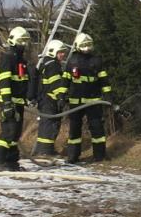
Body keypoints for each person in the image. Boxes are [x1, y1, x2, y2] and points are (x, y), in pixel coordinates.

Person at [64, 31, 112, 164]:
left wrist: (108, 95)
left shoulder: (97, 60)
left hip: (93, 101)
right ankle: (72, 157)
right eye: (84, 45)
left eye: (89, 45)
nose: (87, 48)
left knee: (97, 130)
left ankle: (100, 156)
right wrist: (62, 95)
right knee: (74, 130)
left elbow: (104, 79)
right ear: (77, 46)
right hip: (76, 101)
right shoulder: (72, 61)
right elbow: (65, 80)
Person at [0, 26, 30, 172]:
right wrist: (7, 102)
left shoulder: (21, 60)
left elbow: (23, 82)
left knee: (16, 134)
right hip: (8, 102)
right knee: (8, 132)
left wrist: (28, 97)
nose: (24, 45)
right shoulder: (7, 58)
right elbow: (4, 81)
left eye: (25, 41)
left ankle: (12, 162)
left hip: (18, 102)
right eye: (21, 41)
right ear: (13, 41)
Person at [32, 38, 71, 158]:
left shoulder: (48, 63)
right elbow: (56, 84)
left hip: (46, 99)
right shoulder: (53, 66)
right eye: (60, 52)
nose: (63, 54)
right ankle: (45, 151)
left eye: (63, 52)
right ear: (53, 52)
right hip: (49, 100)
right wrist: (61, 97)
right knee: (49, 125)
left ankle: (44, 149)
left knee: (47, 124)